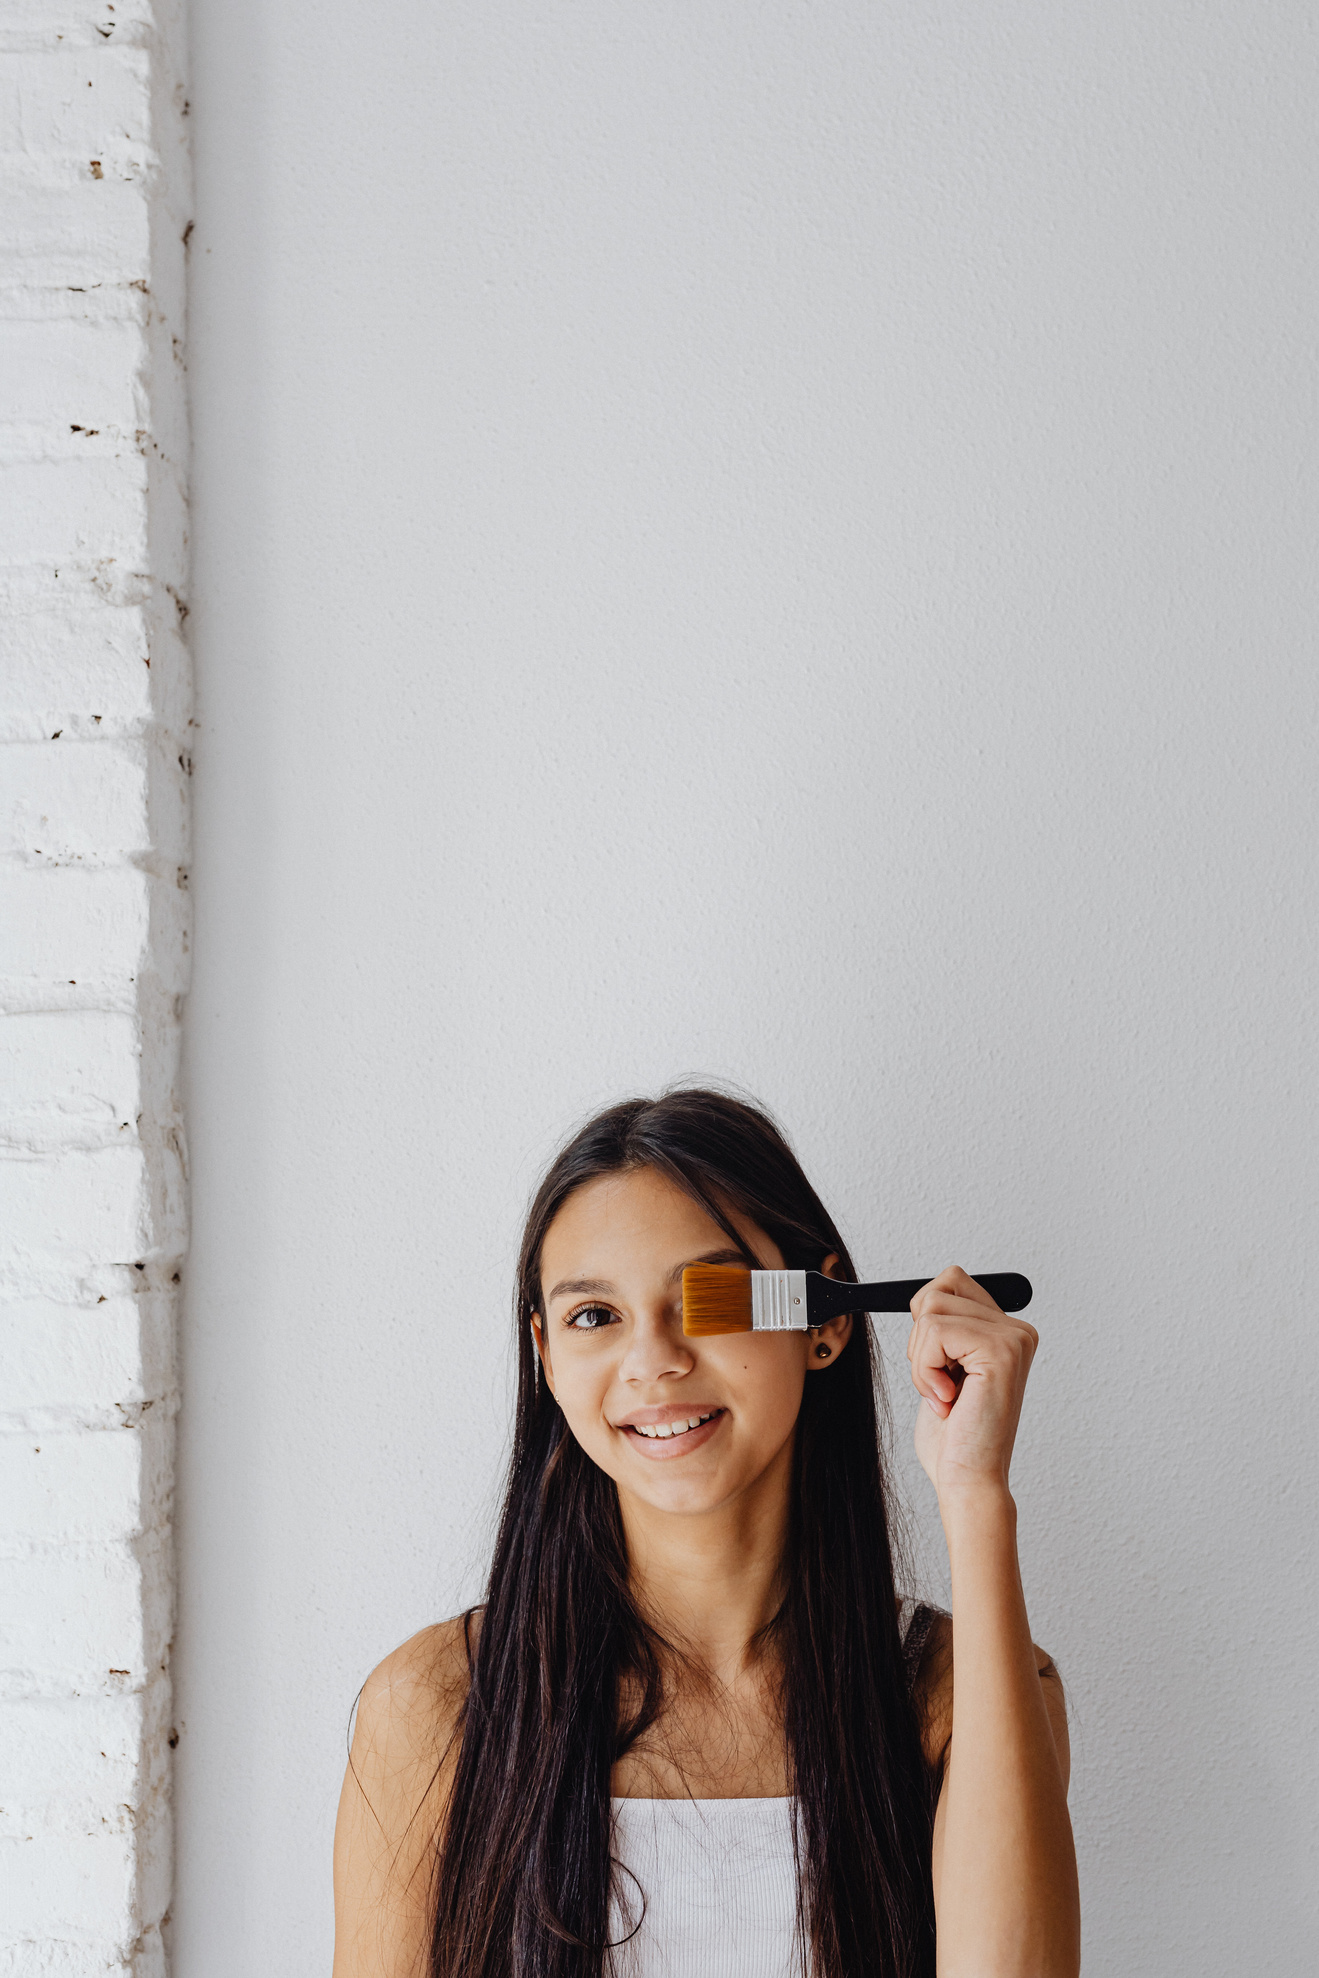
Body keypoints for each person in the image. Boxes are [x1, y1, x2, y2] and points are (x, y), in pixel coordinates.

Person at [332, 1089, 1079, 1977]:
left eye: (707, 1297)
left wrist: (976, 1492)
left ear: (825, 1321)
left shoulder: (968, 1689)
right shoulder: (435, 1704)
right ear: (545, 1355)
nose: (652, 1360)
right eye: (593, 1317)